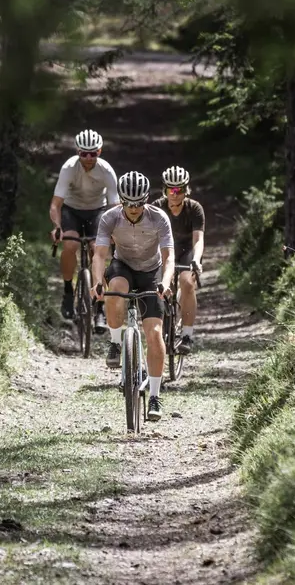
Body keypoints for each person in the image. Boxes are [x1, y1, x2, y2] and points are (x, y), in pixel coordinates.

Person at [92, 171, 174, 422]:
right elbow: (99, 255)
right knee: (115, 286)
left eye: (139, 203)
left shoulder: (159, 218)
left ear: (147, 200)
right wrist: (97, 282)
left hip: (152, 272)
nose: (134, 208)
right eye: (128, 203)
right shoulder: (110, 218)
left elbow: (169, 257)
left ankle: (155, 396)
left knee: (155, 333)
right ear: (121, 201)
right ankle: (116, 342)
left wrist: (165, 282)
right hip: (123, 266)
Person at [49, 129, 118, 330]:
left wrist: (114, 232)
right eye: (83, 154)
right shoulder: (69, 168)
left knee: (98, 250)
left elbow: (115, 207)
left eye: (93, 153)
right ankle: (68, 292)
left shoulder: (106, 171)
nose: (88, 158)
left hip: (98, 211)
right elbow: (56, 204)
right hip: (72, 210)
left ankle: (99, 309)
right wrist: (57, 227)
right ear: (77, 151)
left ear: (100, 151)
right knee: (70, 244)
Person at [151, 165, 204, 354]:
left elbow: (198, 239)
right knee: (160, 286)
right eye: (170, 189)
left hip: (185, 252)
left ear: (185, 189)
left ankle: (187, 334)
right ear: (164, 189)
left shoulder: (194, 209)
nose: (174, 194)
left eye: (178, 189)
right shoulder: (157, 207)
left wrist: (196, 260)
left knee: (187, 283)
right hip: (164, 251)